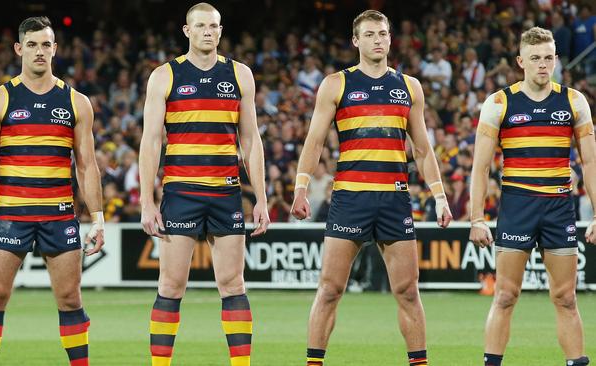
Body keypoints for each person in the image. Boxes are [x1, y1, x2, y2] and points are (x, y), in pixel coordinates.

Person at [291, 10, 452, 366]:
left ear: (391, 38)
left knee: (408, 292)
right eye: (371, 34)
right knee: (331, 289)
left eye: (383, 33)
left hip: (394, 199)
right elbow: (314, 142)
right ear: (356, 41)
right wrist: (301, 188)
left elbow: (423, 150)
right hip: (350, 198)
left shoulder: (409, 87)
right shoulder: (337, 84)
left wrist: (440, 197)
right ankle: (314, 363)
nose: (379, 39)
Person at [0, 16, 105, 366]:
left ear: (55, 49)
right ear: (19, 49)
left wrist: (98, 219)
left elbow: (87, 166)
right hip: (12, 215)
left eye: (45, 44)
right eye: (32, 44)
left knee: (71, 299)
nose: (39, 51)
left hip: (59, 216)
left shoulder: (77, 102)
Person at [138, 3, 269, 366]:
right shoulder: (165, 76)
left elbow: (251, 140)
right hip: (181, 192)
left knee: (233, 285)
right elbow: (150, 141)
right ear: (187, 31)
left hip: (227, 193)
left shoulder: (240, 74)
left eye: (213, 26)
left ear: (220, 31)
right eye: (200, 26)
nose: (207, 31)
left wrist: (261, 197)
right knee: (170, 285)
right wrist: (148, 202)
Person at [469, 27, 595, 366]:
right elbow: (480, 168)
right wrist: (477, 218)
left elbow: (590, 161)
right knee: (506, 295)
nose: (543, 64)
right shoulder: (498, 103)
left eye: (549, 58)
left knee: (566, 298)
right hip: (517, 206)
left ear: (556, 60)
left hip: (558, 208)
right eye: (536, 58)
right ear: (520, 61)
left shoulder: (573, 101)